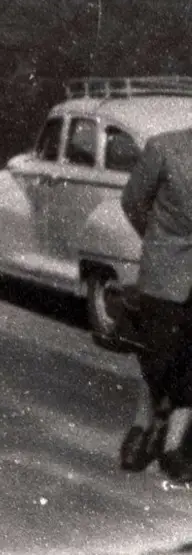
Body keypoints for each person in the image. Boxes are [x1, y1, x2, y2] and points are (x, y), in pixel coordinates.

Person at [118, 129, 192, 478]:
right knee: (157, 360)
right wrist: (159, 242)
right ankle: (141, 431)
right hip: (165, 277)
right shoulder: (163, 148)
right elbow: (132, 201)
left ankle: (173, 448)